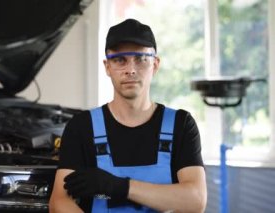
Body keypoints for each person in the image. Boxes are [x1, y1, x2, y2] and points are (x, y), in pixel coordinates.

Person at [49, 18, 207, 213]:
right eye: (120, 60)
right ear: (107, 67)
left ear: (155, 65)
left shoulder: (180, 125)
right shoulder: (82, 127)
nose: (131, 70)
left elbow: (196, 201)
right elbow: (59, 202)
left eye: (141, 59)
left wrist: (119, 187)